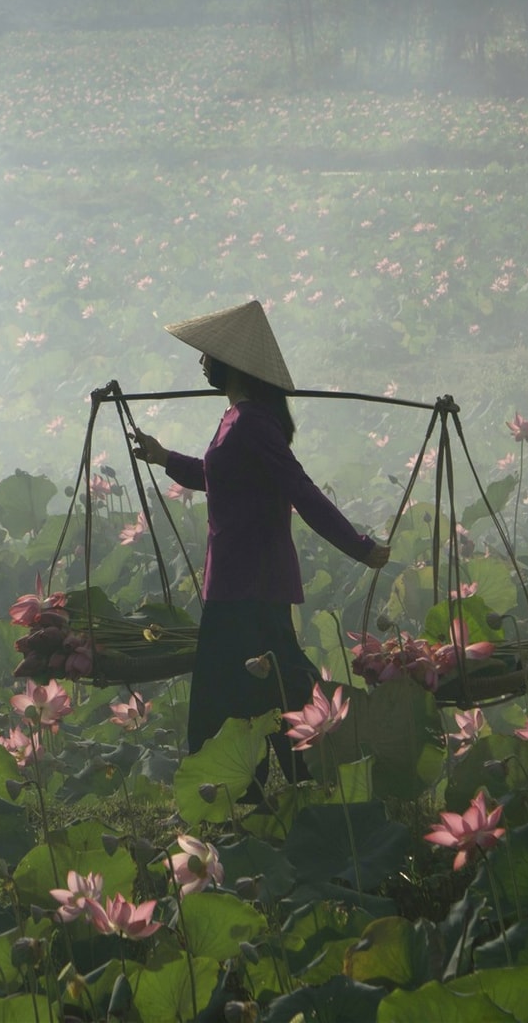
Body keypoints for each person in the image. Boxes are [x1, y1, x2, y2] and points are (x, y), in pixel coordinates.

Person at [128, 300, 390, 797]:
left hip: (252, 582)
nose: (201, 364)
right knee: (261, 688)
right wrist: (164, 457)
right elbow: (217, 476)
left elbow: (302, 490)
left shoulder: (252, 423)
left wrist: (359, 547)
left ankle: (304, 774)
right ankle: (279, 786)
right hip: (231, 579)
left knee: (239, 692)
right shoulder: (234, 419)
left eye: (208, 356)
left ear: (232, 363)